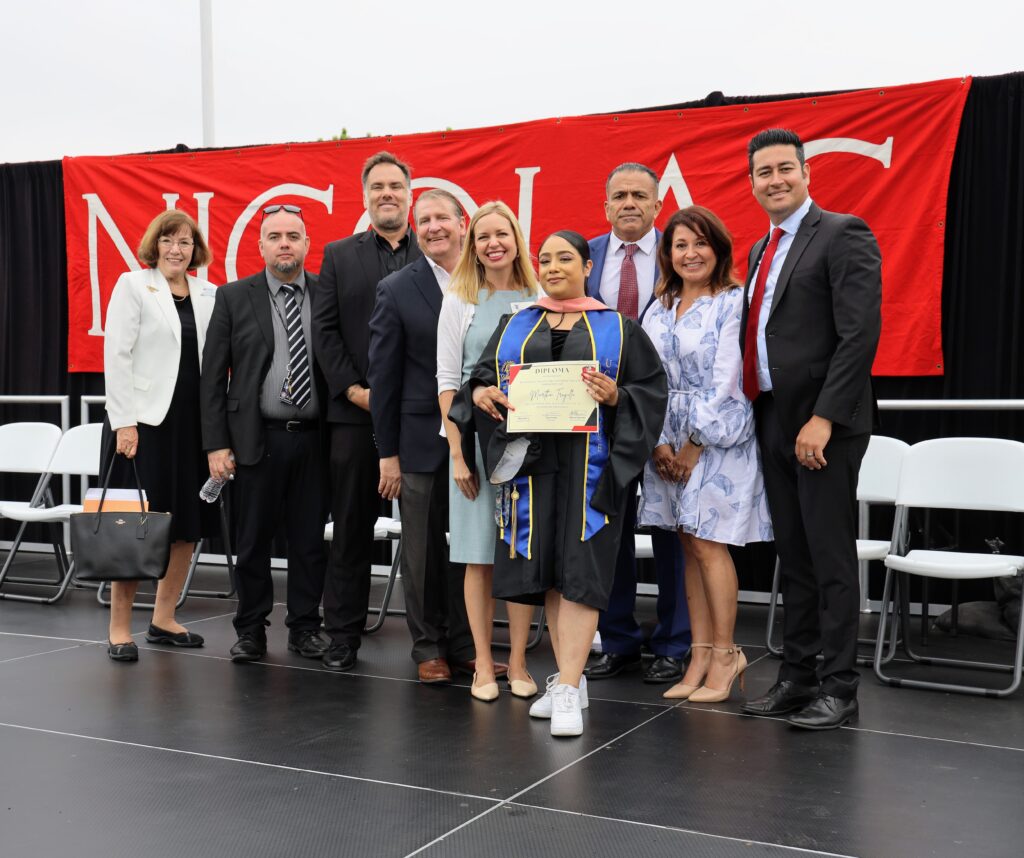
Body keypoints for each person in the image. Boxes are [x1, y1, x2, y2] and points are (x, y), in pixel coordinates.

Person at [453, 230, 667, 736]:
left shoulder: (618, 326)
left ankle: (567, 688)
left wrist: (617, 398)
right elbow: (480, 380)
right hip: (532, 469)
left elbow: (650, 392)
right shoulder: (515, 323)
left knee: (582, 572)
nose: (551, 266)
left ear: (587, 266)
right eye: (544, 258)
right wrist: (483, 393)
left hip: (591, 471)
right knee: (552, 572)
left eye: (564, 258)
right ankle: (568, 677)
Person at [738, 129, 881, 730]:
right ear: (752, 182)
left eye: (784, 169)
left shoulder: (844, 233)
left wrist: (823, 417)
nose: (774, 180)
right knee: (792, 556)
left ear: (805, 173)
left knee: (829, 557)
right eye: (763, 172)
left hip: (822, 424)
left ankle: (840, 686)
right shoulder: (757, 249)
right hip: (772, 416)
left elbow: (859, 335)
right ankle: (796, 677)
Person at [638, 206, 773, 702]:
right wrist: (657, 442)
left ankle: (726, 653)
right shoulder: (658, 306)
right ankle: (697, 656)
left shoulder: (732, 303)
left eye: (700, 243)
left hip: (715, 441)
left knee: (710, 545)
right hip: (665, 442)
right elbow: (645, 378)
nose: (690, 253)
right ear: (667, 254)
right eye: (680, 245)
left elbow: (729, 381)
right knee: (687, 547)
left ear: (718, 249)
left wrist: (694, 444)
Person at [200, 204, 329, 663]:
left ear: (307, 244)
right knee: (252, 541)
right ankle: (251, 629)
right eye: (275, 236)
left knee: (309, 542)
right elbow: (213, 377)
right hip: (256, 438)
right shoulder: (234, 296)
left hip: (315, 439)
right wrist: (216, 443)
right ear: (260, 246)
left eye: (293, 235)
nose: (285, 244)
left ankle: (305, 628)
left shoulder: (324, 293)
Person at [312, 151, 422, 672]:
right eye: (377, 186)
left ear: (410, 192)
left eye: (395, 185)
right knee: (352, 532)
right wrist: (356, 392)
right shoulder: (339, 255)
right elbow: (325, 333)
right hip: (356, 419)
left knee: (431, 535)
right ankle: (342, 637)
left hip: (425, 419)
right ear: (365, 196)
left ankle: (438, 643)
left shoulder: (441, 252)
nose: (387, 194)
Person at [584, 162, 689, 685]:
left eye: (639, 195)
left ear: (656, 206)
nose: (629, 202)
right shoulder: (586, 256)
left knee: (672, 533)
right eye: (619, 194)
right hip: (598, 416)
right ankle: (618, 639)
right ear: (605, 207)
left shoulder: (680, 254)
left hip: (664, 413)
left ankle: (674, 643)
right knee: (610, 531)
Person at [367, 190, 475, 683]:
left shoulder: (492, 279)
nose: (432, 227)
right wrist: (387, 453)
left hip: (484, 440)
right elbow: (383, 381)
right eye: (423, 219)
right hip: (418, 442)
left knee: (474, 547)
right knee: (423, 549)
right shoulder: (396, 288)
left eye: (441, 218)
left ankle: (468, 645)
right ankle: (429, 646)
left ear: (462, 221)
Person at [102, 210, 217, 662]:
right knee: (133, 529)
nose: (177, 249)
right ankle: (118, 629)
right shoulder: (133, 285)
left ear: (196, 249)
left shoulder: (209, 292)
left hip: (194, 428)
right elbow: (117, 355)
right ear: (155, 244)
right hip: (144, 427)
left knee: (186, 526)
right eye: (169, 240)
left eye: (186, 242)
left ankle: (164, 619)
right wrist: (123, 422)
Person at [437, 201, 539, 701]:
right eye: (482, 236)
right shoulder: (460, 299)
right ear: (471, 245)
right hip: (475, 451)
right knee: (478, 559)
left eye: (502, 233)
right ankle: (482, 664)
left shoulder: (540, 296)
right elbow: (446, 382)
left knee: (520, 555)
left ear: (517, 239)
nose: (493, 243)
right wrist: (457, 454)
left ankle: (518, 663)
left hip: (530, 450)